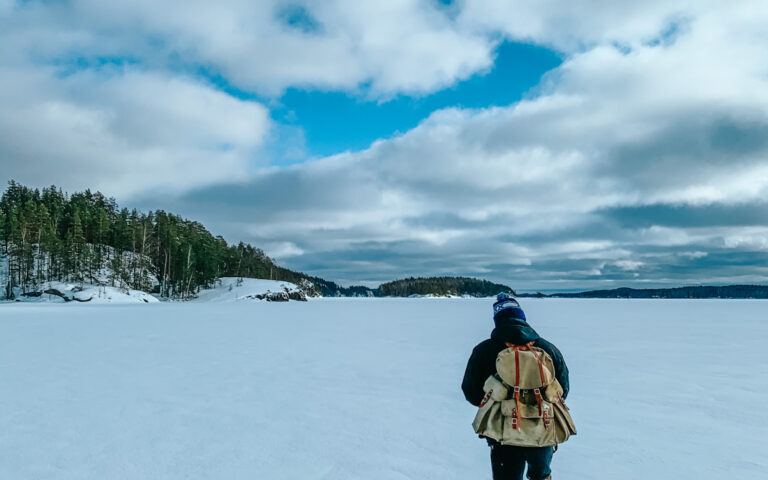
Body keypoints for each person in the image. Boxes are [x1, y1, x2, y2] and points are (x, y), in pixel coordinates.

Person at [462, 293, 570, 480]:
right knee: (541, 476)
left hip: (502, 433)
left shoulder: (484, 350)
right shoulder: (547, 349)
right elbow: (563, 390)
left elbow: (471, 393)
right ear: (522, 318)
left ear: (497, 320)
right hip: (542, 430)